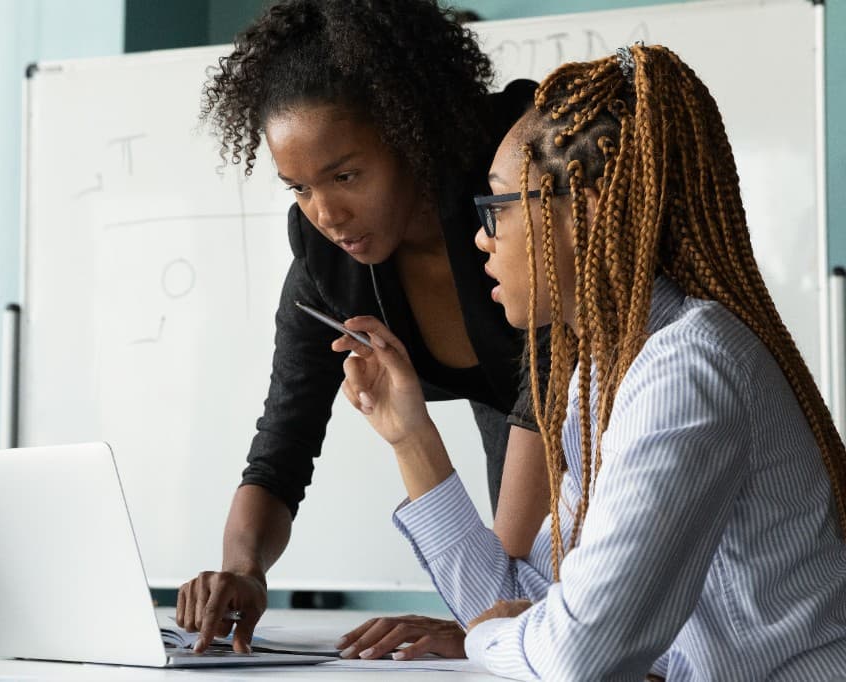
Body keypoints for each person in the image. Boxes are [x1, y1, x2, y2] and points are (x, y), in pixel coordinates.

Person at [339, 44, 846, 678]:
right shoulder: (607, 372)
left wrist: (491, 637)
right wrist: (410, 434)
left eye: (497, 207)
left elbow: (579, 654)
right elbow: (519, 597)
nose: (480, 239)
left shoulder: (686, 370)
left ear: (584, 213)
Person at [175, 0, 555, 658]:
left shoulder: (515, 202)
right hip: (520, 428)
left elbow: (518, 590)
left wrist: (490, 622)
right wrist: (244, 570)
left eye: (345, 175)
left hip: (605, 448)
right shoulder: (329, 258)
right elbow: (282, 440)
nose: (325, 212)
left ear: (413, 133)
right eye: (298, 186)